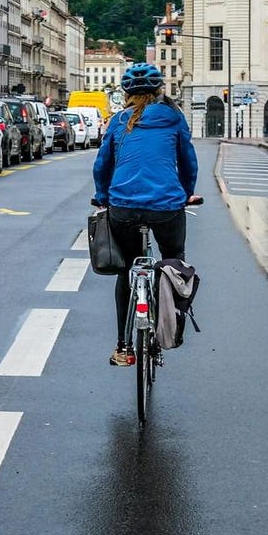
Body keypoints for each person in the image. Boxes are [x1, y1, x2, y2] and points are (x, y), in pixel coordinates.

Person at [92, 63, 201, 367]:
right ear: (158, 91)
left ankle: (123, 346)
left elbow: (102, 166)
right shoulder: (174, 118)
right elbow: (188, 162)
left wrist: (102, 198)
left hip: (123, 207)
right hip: (166, 206)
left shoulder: (118, 121)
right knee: (174, 260)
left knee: (126, 269)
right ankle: (173, 328)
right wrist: (186, 192)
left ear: (126, 93)